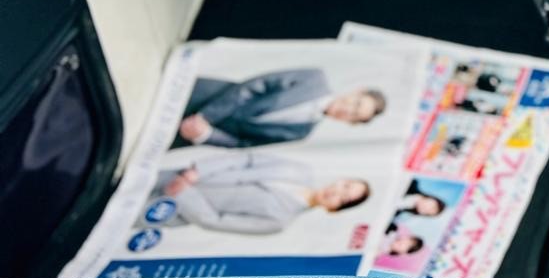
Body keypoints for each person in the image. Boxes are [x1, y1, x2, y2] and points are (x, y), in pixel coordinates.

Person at [153, 151, 370, 235]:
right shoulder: (299, 169)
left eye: (343, 199)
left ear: (334, 209)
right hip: (181, 175)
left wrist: (182, 195)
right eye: (345, 186)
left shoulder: (279, 221)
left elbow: (215, 221)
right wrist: (198, 171)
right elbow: (246, 159)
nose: (337, 193)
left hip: (171, 208)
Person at [173, 68, 387, 148]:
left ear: (349, 123)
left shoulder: (301, 133)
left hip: (187, 133)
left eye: (354, 116)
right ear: (356, 91)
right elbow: (254, 86)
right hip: (203, 95)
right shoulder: (314, 79)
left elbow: (244, 143)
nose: (348, 110)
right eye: (356, 103)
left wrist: (206, 134)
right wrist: (206, 116)